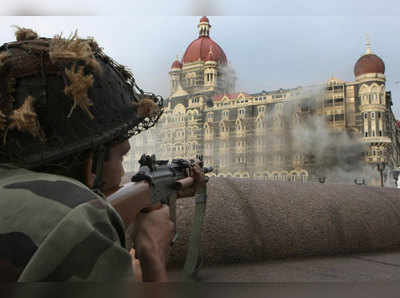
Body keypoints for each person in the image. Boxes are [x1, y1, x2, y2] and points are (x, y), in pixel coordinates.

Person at [0, 27, 204, 282]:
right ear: (91, 166)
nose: (121, 171)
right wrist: (153, 257)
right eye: (120, 157)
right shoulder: (75, 224)